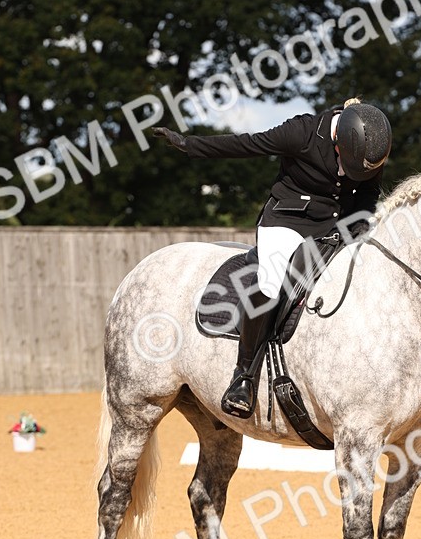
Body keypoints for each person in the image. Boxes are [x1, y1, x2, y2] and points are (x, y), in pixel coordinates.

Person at [154, 98, 392, 418]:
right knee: (270, 283)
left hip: (335, 228)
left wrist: (358, 223)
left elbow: (368, 193)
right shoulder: (301, 133)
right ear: (339, 139)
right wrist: (189, 144)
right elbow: (247, 144)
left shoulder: (369, 144)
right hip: (288, 221)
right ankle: (244, 376)